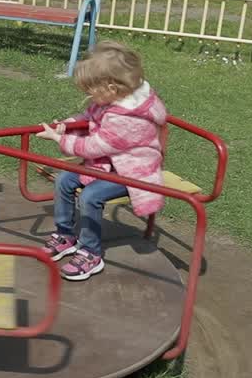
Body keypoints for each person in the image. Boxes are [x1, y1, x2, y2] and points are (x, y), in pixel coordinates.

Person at [34, 40, 167, 281]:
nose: (88, 95)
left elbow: (94, 147)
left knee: (91, 196)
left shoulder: (128, 119)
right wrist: (70, 124)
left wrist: (58, 139)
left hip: (133, 170)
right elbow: (90, 115)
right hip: (108, 163)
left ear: (112, 88)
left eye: (91, 90)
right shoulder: (113, 101)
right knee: (65, 179)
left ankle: (91, 252)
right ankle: (65, 234)